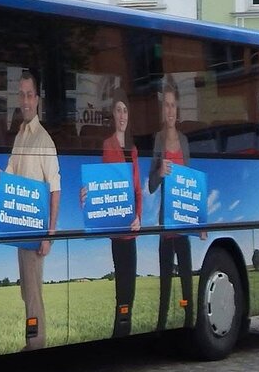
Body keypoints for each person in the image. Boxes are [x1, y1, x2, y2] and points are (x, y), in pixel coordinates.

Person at [0, 68, 61, 350]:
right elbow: (11, 172)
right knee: (26, 291)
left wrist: (49, 234)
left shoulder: (44, 141)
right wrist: (0, 179)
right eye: (21, 95)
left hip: (36, 231)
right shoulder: (20, 134)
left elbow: (55, 188)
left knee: (33, 294)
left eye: (30, 95)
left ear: (38, 99)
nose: (25, 100)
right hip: (20, 228)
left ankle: (37, 346)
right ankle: (31, 342)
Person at [81, 88, 142, 337]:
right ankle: (120, 331)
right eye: (118, 110)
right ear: (113, 115)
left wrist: (138, 217)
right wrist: (87, 195)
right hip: (117, 229)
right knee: (121, 285)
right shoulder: (107, 145)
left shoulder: (133, 150)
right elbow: (101, 184)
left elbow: (137, 190)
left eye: (125, 110)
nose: (122, 115)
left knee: (131, 286)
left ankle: (126, 330)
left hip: (131, 229)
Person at [147, 76, 201, 330]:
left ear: (178, 109)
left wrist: (199, 221)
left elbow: (191, 184)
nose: (170, 111)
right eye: (166, 105)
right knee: (165, 283)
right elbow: (151, 184)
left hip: (183, 221)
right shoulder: (158, 140)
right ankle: (161, 326)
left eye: (173, 105)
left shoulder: (185, 141)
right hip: (166, 225)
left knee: (187, 280)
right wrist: (160, 172)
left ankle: (190, 323)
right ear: (162, 110)